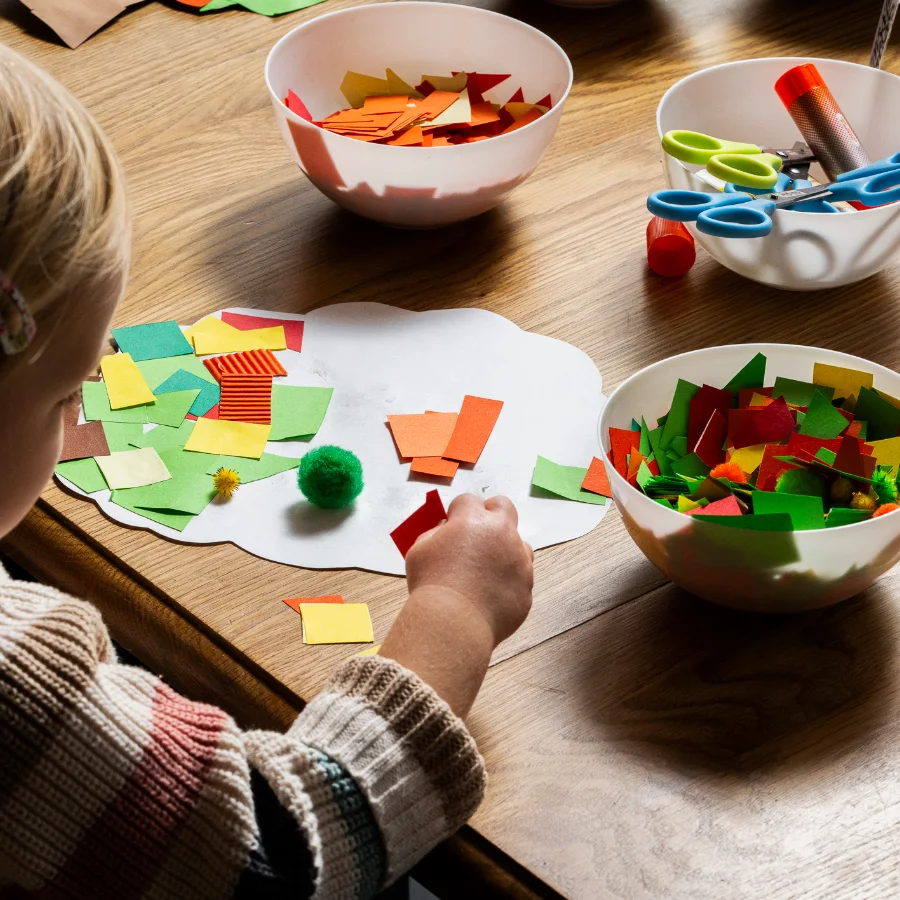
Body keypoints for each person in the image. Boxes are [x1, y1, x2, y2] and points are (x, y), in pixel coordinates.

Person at [0, 43, 534, 898]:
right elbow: (284, 856)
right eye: (69, 395)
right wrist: (456, 612)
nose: (85, 424)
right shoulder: (15, 688)